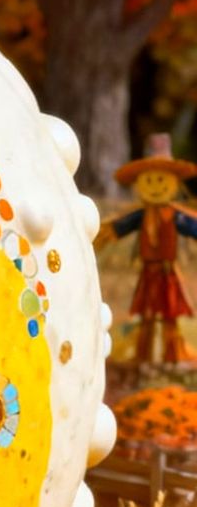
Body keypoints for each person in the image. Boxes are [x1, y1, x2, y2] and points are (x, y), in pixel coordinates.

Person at [96, 134, 197, 364]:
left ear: (173, 182)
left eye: (161, 180)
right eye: (149, 180)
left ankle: (172, 355)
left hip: (167, 272)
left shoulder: (176, 216)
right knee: (148, 316)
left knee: (170, 314)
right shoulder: (141, 216)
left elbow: (193, 228)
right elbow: (120, 227)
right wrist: (104, 233)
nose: (155, 186)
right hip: (148, 274)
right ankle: (144, 355)